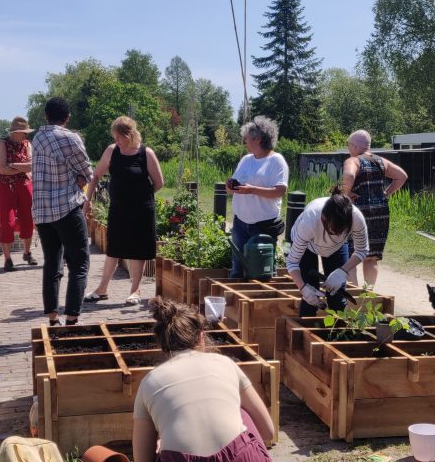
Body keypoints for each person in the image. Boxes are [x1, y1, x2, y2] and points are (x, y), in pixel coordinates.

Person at [132, 298, 274, 462]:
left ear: (162, 344)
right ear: (201, 336)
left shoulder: (149, 382)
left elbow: (142, 458)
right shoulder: (225, 363)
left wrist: (163, 446)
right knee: (242, 412)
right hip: (239, 456)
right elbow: (267, 431)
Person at [83, 116, 165, 305]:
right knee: (114, 248)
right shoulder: (112, 151)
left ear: (128, 135)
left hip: (142, 210)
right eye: (115, 137)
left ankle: (134, 290)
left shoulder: (146, 153)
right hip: (119, 209)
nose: (116, 141)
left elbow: (159, 183)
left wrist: (141, 195)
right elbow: (95, 175)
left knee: (138, 249)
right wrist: (88, 199)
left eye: (119, 137)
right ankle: (102, 288)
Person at [31, 97, 94, 326]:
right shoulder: (69, 137)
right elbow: (87, 172)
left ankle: (52, 316)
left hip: (42, 211)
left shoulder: (37, 138)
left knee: (52, 263)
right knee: (79, 263)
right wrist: (77, 178)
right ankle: (72, 318)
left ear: (46, 116)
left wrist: (75, 174)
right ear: (67, 118)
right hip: (67, 208)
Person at [340, 130, 408, 290]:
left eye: (349, 145)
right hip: (380, 212)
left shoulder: (353, 160)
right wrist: (385, 194)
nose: (349, 148)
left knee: (352, 255)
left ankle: (353, 296)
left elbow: (349, 175)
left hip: (358, 212)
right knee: (371, 257)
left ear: (355, 146)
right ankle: (368, 293)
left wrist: (346, 194)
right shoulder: (380, 161)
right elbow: (402, 176)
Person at [286, 186, 369, 316]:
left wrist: (343, 271)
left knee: (337, 298)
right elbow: (292, 262)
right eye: (332, 232)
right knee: (310, 299)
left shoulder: (356, 218)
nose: (335, 236)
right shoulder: (310, 221)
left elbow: (362, 250)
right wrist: (303, 288)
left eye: (341, 233)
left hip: (337, 248)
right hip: (308, 246)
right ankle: (306, 333)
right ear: (323, 219)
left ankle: (338, 334)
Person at [226, 116, 289, 279]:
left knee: (260, 271)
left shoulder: (276, 161)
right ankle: (235, 302)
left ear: (258, 139)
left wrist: (252, 190)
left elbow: (279, 191)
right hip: (240, 223)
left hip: (263, 225)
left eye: (247, 139)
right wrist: (231, 185)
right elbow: (234, 186)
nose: (245, 142)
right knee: (237, 269)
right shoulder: (246, 159)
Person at [0, 116, 39, 272]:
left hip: (24, 184)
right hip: (5, 186)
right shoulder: (3, 143)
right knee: (7, 221)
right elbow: (2, 169)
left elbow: (31, 166)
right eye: (23, 132)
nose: (25, 135)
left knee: (28, 219)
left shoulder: (27, 144)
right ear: (15, 132)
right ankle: (8, 259)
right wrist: (21, 167)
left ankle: (27, 253)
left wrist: (12, 165)